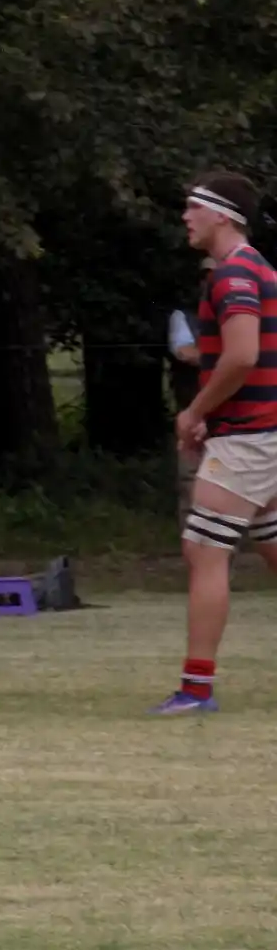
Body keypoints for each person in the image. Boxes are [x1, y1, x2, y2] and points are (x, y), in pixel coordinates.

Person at [154, 172, 277, 714]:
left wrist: (196, 411)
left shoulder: (234, 275)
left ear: (221, 215)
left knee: (204, 550)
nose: (184, 218)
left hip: (251, 437)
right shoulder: (257, 269)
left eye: (191, 209)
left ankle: (195, 687)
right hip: (260, 429)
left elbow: (243, 354)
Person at [169, 259, 216, 523]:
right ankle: (193, 537)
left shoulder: (245, 315)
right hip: (194, 412)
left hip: (236, 417)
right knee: (191, 479)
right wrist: (231, 358)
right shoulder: (184, 317)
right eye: (207, 276)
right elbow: (184, 352)